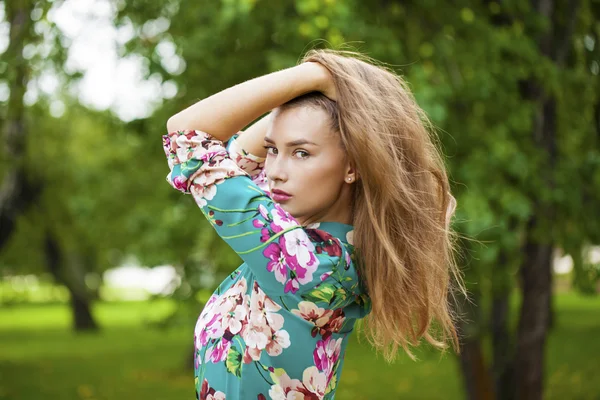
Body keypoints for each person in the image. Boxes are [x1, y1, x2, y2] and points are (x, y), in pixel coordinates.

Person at [162, 49, 463, 400]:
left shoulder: (307, 265)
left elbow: (188, 136)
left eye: (301, 153)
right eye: (273, 149)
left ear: (353, 166)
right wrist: (329, 90)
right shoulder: (315, 243)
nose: (274, 171)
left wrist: (318, 76)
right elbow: (234, 162)